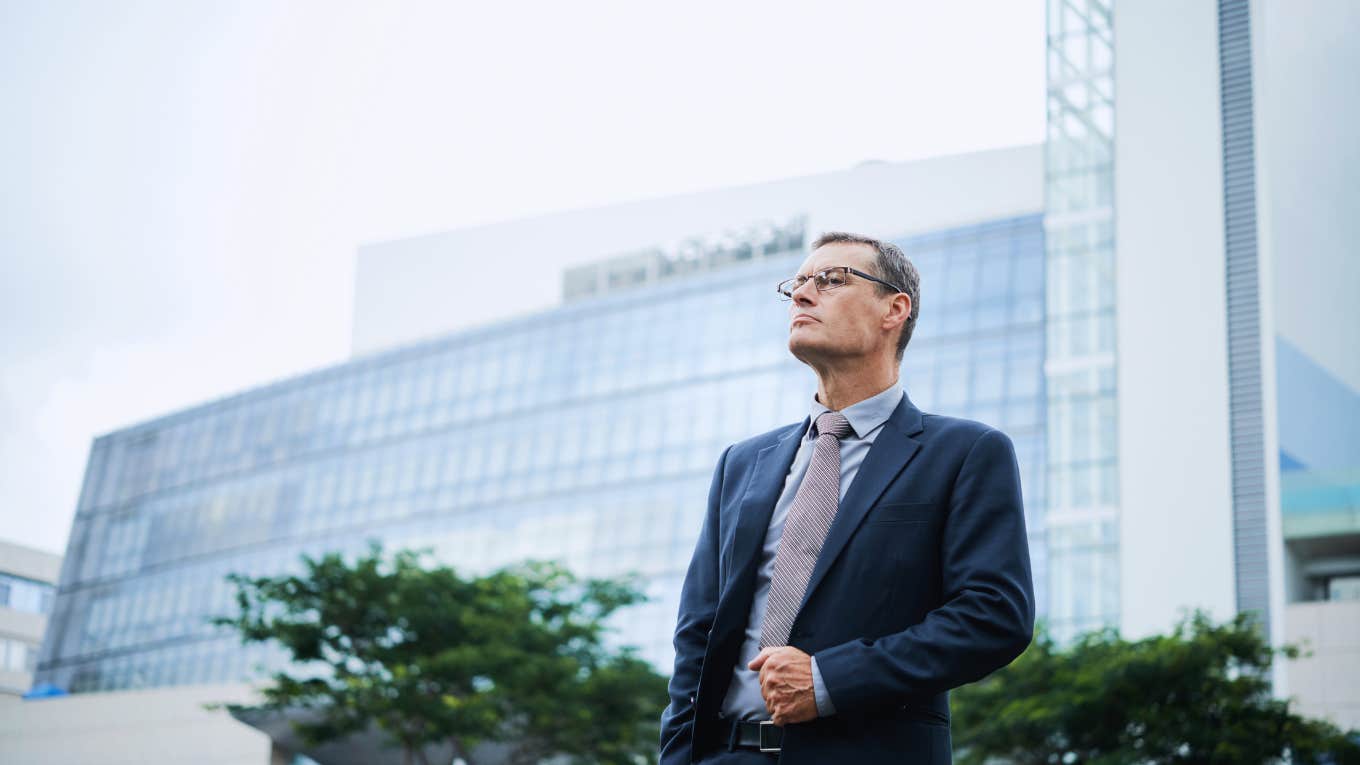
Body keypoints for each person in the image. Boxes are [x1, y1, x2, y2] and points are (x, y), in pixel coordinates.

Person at [659, 232, 1035, 764]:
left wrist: (828, 679)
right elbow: (697, 635)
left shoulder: (967, 452)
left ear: (894, 310)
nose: (803, 295)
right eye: (798, 284)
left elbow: (994, 616)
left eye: (831, 280)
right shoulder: (742, 464)